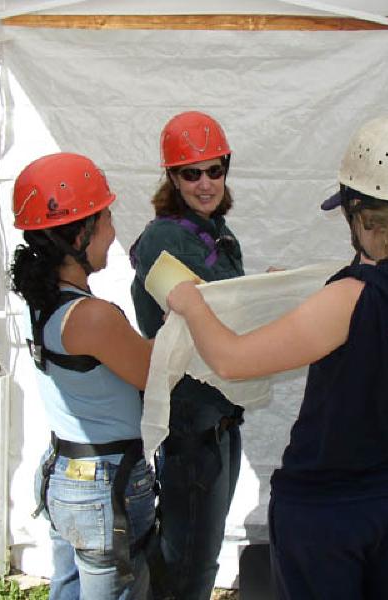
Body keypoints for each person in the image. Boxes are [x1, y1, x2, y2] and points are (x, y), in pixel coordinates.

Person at [166, 115, 388, 600]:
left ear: (359, 214)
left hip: (328, 507)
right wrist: (299, 290)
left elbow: (230, 359)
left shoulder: (355, 298)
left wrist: (190, 302)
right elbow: (380, 331)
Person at [10, 152, 156, 600]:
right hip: (102, 484)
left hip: (66, 474)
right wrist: (187, 311)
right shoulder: (90, 316)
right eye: (106, 217)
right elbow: (153, 372)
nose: (112, 231)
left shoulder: (46, 297)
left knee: (69, 589)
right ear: (78, 233)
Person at [129, 111, 245, 599]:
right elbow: (220, 320)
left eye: (213, 170)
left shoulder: (212, 229)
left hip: (217, 425)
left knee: (198, 556)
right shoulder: (164, 239)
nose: (204, 183)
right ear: (172, 178)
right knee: (188, 568)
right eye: (190, 173)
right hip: (192, 434)